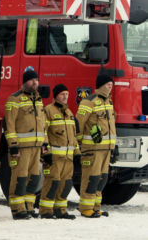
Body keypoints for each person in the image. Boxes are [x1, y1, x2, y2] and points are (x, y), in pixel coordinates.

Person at [3, 67, 47, 219]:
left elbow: (43, 125)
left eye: (36, 80)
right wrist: (13, 145)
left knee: (34, 178)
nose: (35, 82)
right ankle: (17, 209)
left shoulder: (39, 100)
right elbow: (9, 125)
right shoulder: (14, 99)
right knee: (20, 178)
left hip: (36, 147)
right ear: (24, 82)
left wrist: (45, 143)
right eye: (31, 79)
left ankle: (29, 207)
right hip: (21, 148)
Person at [76, 73, 116, 218]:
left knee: (102, 178)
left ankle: (95, 207)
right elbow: (78, 124)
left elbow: (111, 127)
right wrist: (79, 144)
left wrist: (113, 146)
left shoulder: (109, 103)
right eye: (107, 84)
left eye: (111, 84)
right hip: (92, 149)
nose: (110, 86)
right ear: (100, 85)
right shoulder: (88, 102)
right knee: (91, 178)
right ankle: (85, 208)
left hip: (106, 149)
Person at [39, 83, 78, 220]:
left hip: (68, 158)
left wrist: (77, 153)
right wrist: (46, 152)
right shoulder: (48, 111)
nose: (65, 97)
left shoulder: (69, 113)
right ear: (56, 96)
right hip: (54, 158)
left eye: (67, 94)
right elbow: (43, 133)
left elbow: (74, 136)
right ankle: (46, 211)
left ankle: (61, 210)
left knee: (66, 185)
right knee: (52, 183)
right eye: (62, 94)